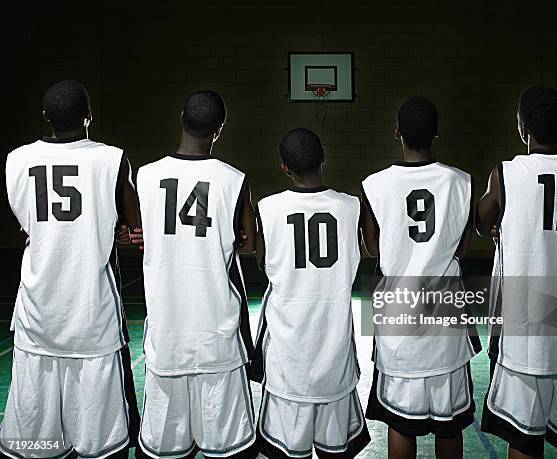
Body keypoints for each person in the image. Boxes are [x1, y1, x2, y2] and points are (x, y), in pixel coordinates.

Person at [1, 80, 141, 458]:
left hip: (36, 312)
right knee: (100, 441)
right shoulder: (112, 158)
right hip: (91, 313)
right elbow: (134, 224)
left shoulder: (17, 159)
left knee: (35, 435)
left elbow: (24, 223)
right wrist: (117, 229)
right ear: (89, 116)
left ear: (45, 116)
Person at [477, 86, 557, 459]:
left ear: (522, 127)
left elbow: (480, 221)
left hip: (527, 330)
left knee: (522, 438)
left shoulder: (506, 174)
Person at [133, 90, 258, 459]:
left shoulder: (146, 176)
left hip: (166, 336)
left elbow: (137, 232)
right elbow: (248, 243)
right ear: (218, 130)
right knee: (229, 451)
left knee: (167, 452)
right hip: (216, 336)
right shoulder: (233, 179)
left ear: (181, 117)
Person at [361, 96, 479, 459]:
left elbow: (372, 248)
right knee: (450, 424)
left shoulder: (374, 185)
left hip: (399, 314)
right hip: (445, 314)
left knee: (401, 424)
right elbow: (462, 247)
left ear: (397, 133)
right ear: (436, 133)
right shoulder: (462, 181)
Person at [253, 128, 370, 459]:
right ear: (324, 155)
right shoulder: (352, 207)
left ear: (284, 168)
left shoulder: (268, 208)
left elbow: (262, 262)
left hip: (287, 359)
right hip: (335, 357)